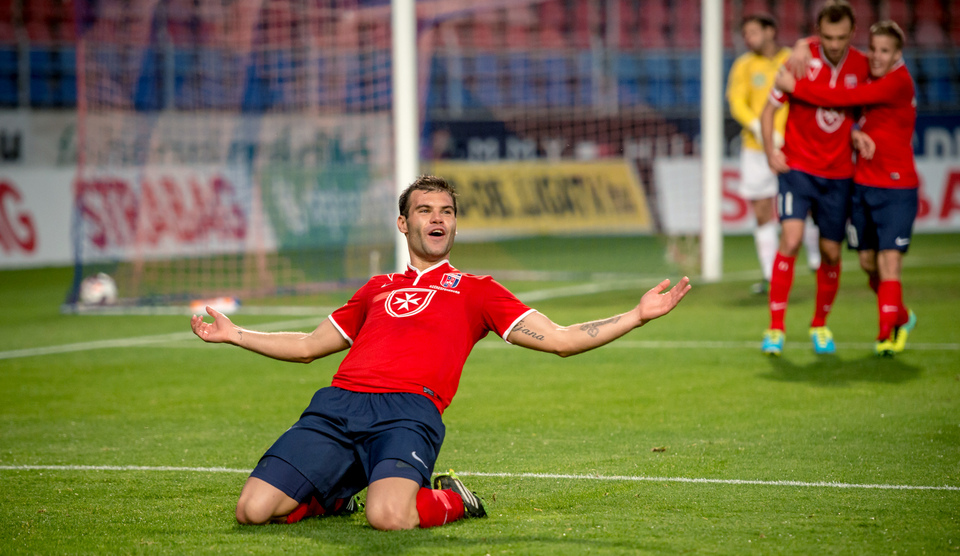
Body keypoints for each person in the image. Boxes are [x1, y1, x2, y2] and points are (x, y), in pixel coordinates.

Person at [190, 175, 692, 530]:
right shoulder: (376, 288)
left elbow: (560, 339)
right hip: (339, 405)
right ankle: (337, 495)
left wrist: (636, 315)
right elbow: (307, 346)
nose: (438, 219)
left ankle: (452, 499)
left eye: (446, 212)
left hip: (409, 412)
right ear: (403, 223)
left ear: (453, 225)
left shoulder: (478, 291)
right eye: (425, 211)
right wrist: (236, 334)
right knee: (253, 510)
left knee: (389, 517)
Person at [774, 20, 918, 356]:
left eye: (885, 51)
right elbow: (834, 45)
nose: (877, 56)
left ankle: (886, 336)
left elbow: (843, 97)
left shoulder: (896, 82)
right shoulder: (869, 72)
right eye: (874, 49)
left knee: (888, 261)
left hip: (895, 187)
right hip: (861, 184)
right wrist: (804, 42)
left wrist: (795, 87)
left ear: (898, 53)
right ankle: (901, 315)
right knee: (867, 262)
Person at [758, 0, 869, 356]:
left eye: (841, 37)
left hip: (839, 174)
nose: (834, 44)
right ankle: (776, 328)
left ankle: (819, 324)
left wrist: (861, 133)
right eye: (828, 37)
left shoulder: (863, 66)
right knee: (790, 240)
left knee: (831, 252)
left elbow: (869, 109)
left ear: (852, 33)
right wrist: (769, 150)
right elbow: (768, 111)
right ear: (818, 33)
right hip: (798, 169)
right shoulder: (800, 60)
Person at [726, 13, 821, 295]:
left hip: (793, 146)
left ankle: (817, 261)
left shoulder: (792, 59)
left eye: (753, 32)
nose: (748, 38)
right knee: (762, 211)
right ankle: (771, 275)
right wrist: (758, 127)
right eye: (746, 34)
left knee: (808, 206)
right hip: (756, 149)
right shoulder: (743, 65)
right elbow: (736, 102)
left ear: (770, 31)